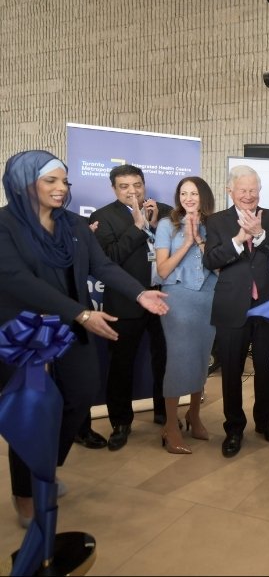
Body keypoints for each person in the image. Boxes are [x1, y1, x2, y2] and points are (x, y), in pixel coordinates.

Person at [0, 150, 168, 527]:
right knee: (31, 411)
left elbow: (103, 265)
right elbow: (16, 280)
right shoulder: (4, 225)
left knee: (79, 397)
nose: (62, 188)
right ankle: (26, 492)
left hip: (71, 326)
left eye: (65, 181)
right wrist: (82, 312)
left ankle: (46, 467)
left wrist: (139, 293)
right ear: (25, 184)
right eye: (51, 181)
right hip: (22, 330)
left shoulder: (74, 226)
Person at [89, 164, 173, 450]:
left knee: (165, 359)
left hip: (164, 298)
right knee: (121, 365)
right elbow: (107, 259)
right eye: (124, 186)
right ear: (114, 189)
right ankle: (121, 423)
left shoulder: (165, 210)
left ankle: (165, 412)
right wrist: (138, 229)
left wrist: (155, 223)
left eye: (137, 184)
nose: (132, 191)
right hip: (125, 302)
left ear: (144, 184)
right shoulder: (104, 217)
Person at [203, 165, 269, 458]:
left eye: (253, 190)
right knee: (231, 371)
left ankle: (265, 422)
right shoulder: (216, 222)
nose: (249, 196)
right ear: (230, 192)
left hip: (267, 304)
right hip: (231, 305)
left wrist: (260, 234)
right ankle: (234, 429)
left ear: (259, 191)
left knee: (266, 368)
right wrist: (239, 239)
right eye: (243, 190)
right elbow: (210, 260)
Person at [154, 177, 217, 454]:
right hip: (177, 299)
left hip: (208, 298)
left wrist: (201, 240)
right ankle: (170, 426)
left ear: (204, 196)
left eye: (194, 193)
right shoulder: (168, 225)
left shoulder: (216, 227)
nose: (188, 198)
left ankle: (194, 414)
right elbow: (163, 270)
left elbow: (221, 269)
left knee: (202, 358)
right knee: (179, 361)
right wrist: (187, 242)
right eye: (183, 193)